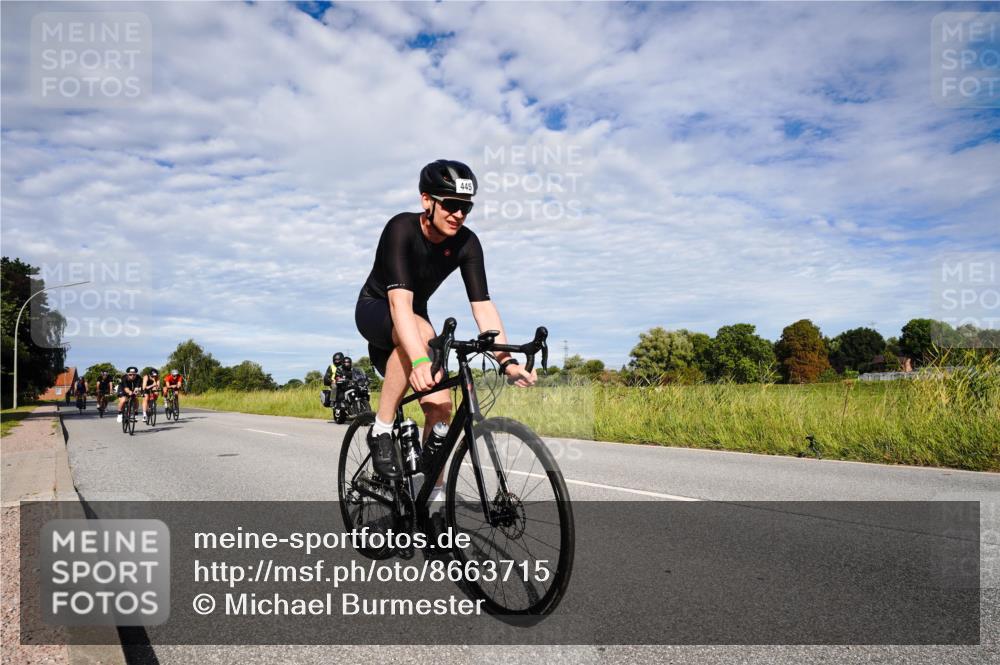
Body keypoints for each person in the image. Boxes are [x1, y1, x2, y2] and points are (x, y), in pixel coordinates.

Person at [355, 159, 537, 489]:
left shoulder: (467, 243)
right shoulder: (401, 229)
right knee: (423, 334)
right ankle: (380, 429)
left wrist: (507, 361)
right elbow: (399, 304)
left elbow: (482, 306)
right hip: (377, 309)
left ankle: (430, 497)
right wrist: (420, 360)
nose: (458, 214)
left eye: (465, 207)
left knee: (440, 408)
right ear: (427, 200)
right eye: (451, 205)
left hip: (415, 319)